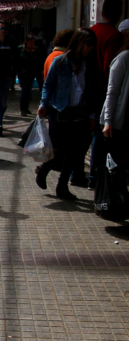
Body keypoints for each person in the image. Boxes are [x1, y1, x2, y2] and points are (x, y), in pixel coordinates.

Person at [36, 28, 98, 200]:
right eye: (89, 44)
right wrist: (43, 105)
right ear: (79, 43)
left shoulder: (89, 64)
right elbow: (48, 85)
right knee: (60, 150)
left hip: (80, 112)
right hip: (59, 110)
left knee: (74, 151)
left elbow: (92, 91)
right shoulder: (60, 61)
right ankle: (44, 169)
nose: (91, 48)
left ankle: (62, 186)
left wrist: (92, 114)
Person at [87, 0, 124, 188]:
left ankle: (80, 173)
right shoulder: (114, 36)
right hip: (102, 90)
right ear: (119, 14)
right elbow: (109, 68)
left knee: (86, 134)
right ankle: (94, 176)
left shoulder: (91, 30)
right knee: (100, 135)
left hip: (87, 88)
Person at [100, 34, 129, 178]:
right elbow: (112, 91)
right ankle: (112, 197)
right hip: (118, 122)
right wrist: (108, 121)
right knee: (114, 165)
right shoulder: (124, 58)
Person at [18, 36, 44, 115]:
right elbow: (16, 60)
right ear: (26, 41)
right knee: (25, 90)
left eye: (33, 42)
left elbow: (39, 61)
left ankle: (26, 107)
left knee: (28, 90)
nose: (32, 44)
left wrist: (41, 70)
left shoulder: (35, 50)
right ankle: (23, 109)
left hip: (32, 72)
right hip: (22, 73)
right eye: (30, 42)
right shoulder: (20, 49)